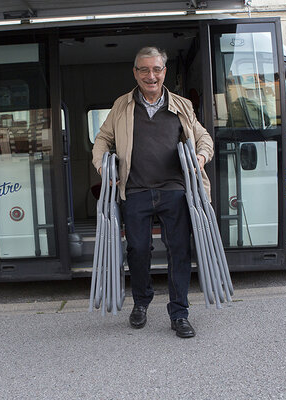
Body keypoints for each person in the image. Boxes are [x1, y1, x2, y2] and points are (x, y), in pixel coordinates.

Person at [92, 46, 214, 338]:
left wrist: (200, 156)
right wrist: (102, 167)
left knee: (179, 251)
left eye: (156, 69)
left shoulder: (182, 105)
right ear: (135, 73)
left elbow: (203, 138)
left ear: (164, 72)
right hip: (135, 190)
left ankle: (179, 313)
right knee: (137, 251)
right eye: (144, 70)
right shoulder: (122, 106)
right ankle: (141, 303)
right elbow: (102, 140)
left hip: (174, 189)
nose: (151, 76)